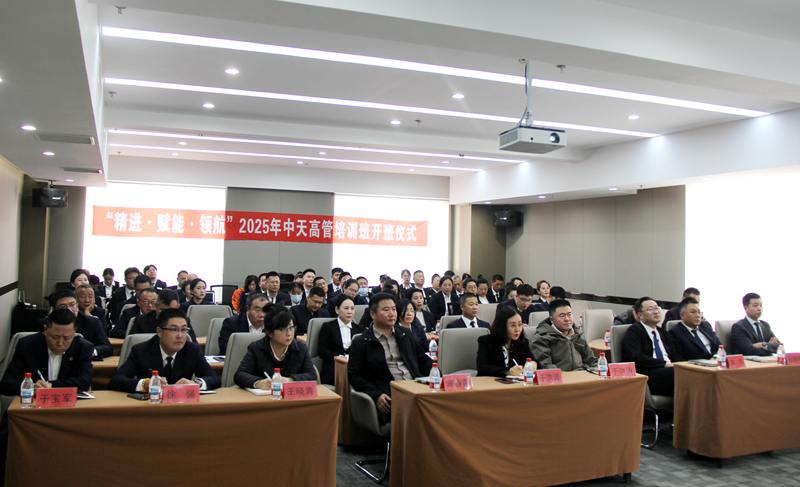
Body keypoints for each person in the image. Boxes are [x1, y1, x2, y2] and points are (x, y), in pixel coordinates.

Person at [348, 293, 432, 428]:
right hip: (390, 393)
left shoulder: (405, 334)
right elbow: (354, 376)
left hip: (415, 387)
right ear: (373, 314)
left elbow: (422, 359)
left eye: (394, 309)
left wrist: (437, 376)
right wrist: (376, 395)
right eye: (386, 310)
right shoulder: (361, 342)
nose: (392, 314)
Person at [109, 308, 220, 392]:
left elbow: (214, 378)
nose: (180, 335)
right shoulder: (141, 350)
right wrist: (145, 384)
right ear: (159, 332)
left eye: (183, 330)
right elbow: (117, 380)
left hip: (181, 405)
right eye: (174, 330)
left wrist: (196, 383)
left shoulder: (192, 350)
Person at [1, 308, 94, 395]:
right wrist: (30, 388)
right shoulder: (27, 345)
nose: (60, 343)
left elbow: (84, 382)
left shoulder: (83, 348)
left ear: (73, 333)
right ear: (45, 330)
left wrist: (50, 385)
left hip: (69, 404)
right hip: (34, 404)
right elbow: (7, 383)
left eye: (66, 338)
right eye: (55, 337)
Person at [234, 304, 317, 389]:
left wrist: (290, 380)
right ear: (269, 333)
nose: (289, 333)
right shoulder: (256, 348)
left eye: (291, 328)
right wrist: (259, 383)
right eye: (282, 329)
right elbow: (240, 375)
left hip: (291, 396)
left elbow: (312, 375)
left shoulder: (300, 348)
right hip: (265, 395)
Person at [621, 297, 675, 397]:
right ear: (640, 315)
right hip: (649, 374)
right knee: (680, 375)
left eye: (657, 308)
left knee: (692, 373)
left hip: (668, 371)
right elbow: (637, 358)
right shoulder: (634, 331)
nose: (656, 312)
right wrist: (664, 364)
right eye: (651, 309)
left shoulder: (663, 333)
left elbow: (674, 356)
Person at [41, 289, 112, 358]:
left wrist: (87, 352)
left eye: (72, 305)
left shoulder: (92, 322)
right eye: (63, 307)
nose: (69, 310)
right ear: (53, 310)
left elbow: (107, 347)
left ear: (77, 306)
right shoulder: (45, 323)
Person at [531, 299, 597, 371]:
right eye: (562, 316)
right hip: (559, 376)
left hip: (580, 375)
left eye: (569, 314)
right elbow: (546, 366)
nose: (567, 319)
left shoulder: (578, 335)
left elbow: (591, 361)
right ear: (552, 320)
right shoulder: (542, 338)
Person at [477, 306, 537, 377]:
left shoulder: (522, 342)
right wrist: (508, 371)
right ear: (502, 326)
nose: (517, 329)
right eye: (513, 325)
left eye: (520, 325)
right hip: (491, 381)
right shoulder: (486, 341)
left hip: (516, 382)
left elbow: (532, 360)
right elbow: (482, 368)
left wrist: (533, 364)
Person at [318, 294, 364, 385]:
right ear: (337, 310)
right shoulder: (328, 327)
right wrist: (339, 357)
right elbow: (322, 351)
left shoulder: (359, 329)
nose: (349, 312)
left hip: (353, 368)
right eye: (346, 308)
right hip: (333, 366)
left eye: (352, 309)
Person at [128, 289, 198, 341]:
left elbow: (193, 345)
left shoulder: (184, 321)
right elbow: (132, 344)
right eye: (163, 311)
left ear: (178, 308)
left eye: (172, 311)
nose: (167, 315)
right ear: (155, 306)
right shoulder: (141, 321)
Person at [668, 297, 721, 361]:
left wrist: (716, 357)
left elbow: (721, 347)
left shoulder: (706, 325)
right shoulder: (675, 333)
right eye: (693, 312)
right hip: (696, 365)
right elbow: (679, 360)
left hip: (717, 362)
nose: (698, 315)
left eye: (699, 312)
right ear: (682, 315)